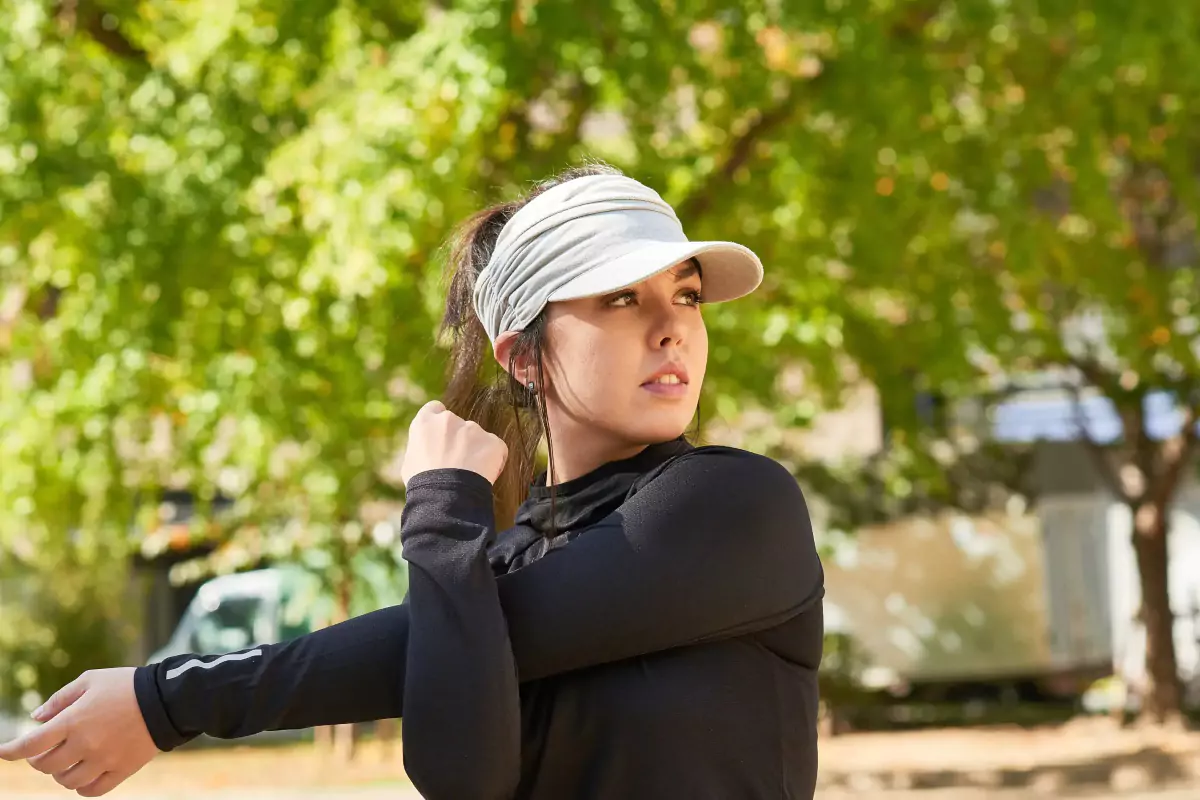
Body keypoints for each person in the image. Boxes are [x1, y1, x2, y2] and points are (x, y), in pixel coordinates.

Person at [0, 163, 825, 799]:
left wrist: (167, 700)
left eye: (685, 295)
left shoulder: (737, 508)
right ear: (524, 355)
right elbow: (460, 776)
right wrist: (452, 534)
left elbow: (427, 644)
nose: (672, 329)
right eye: (620, 298)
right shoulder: (493, 562)